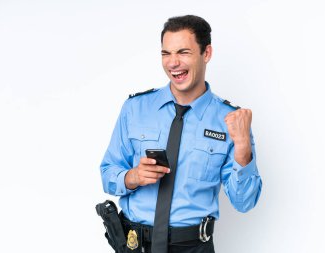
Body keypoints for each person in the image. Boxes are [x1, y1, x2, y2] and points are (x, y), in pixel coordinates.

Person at [99, 15, 262, 253]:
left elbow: (244, 202)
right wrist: (132, 177)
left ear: (206, 53)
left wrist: (243, 148)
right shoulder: (135, 108)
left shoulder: (231, 121)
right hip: (134, 245)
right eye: (166, 54)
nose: (173, 63)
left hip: (191, 247)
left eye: (183, 52)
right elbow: (107, 173)